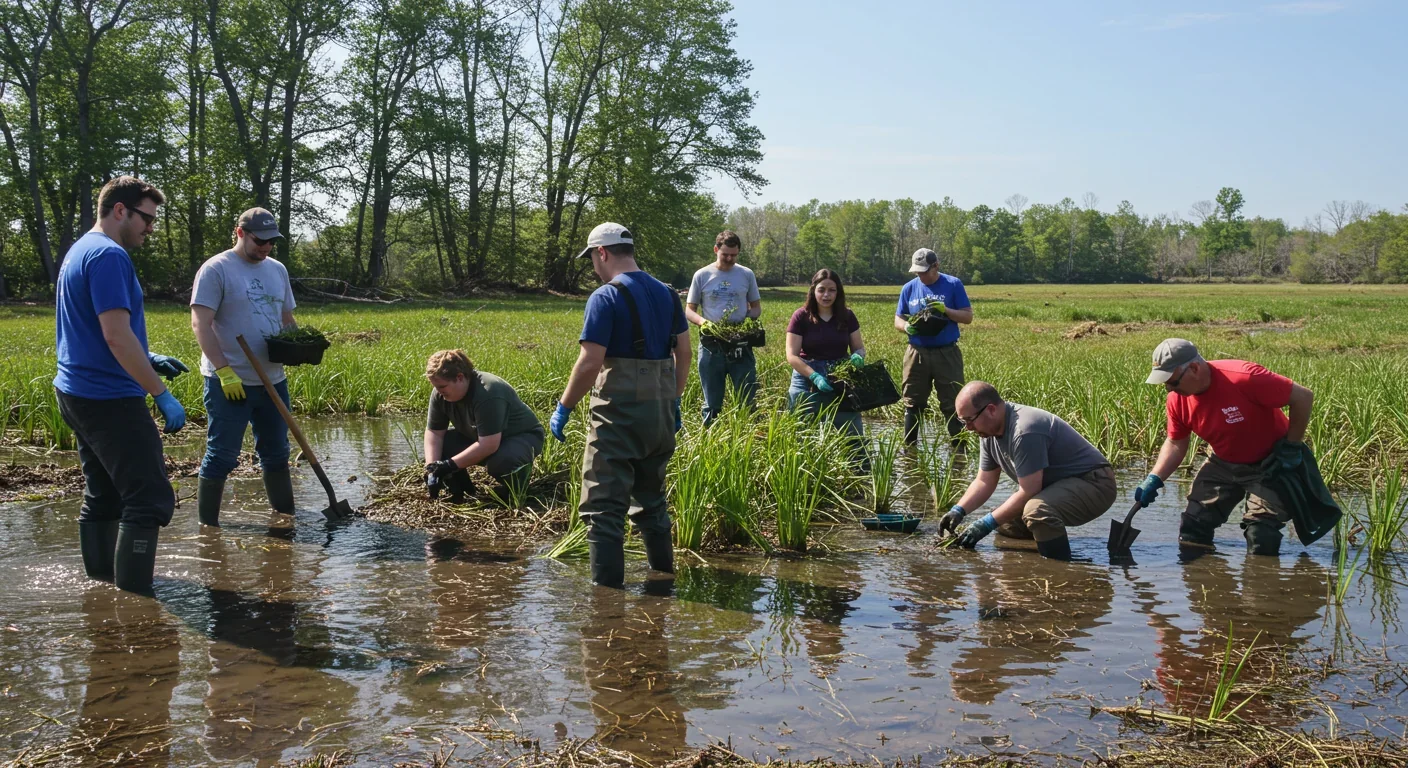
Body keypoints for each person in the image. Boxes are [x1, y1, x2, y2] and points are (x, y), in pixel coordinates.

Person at [54, 176, 188, 594]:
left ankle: (101, 587)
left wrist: (146, 357)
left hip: (75, 390)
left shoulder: (80, 250)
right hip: (108, 396)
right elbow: (115, 335)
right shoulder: (110, 256)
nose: (151, 227)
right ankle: (137, 608)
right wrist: (160, 392)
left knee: (105, 495)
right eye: (147, 218)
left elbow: (93, 330)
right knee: (147, 499)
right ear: (120, 211)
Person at [549, 222, 690, 589]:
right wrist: (673, 401)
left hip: (618, 413)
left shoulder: (605, 297)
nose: (594, 268)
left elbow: (590, 362)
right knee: (652, 500)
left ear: (603, 253)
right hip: (660, 410)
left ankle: (606, 602)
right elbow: (685, 353)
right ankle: (663, 581)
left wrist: (564, 407)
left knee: (603, 510)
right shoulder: (668, 294)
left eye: (593, 259)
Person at [1133, 339, 1321, 556]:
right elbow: (1176, 443)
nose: (1168, 388)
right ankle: (1203, 583)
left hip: (1271, 462)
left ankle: (1262, 587)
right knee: (1193, 527)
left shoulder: (1244, 378)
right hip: (1223, 461)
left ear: (1194, 368)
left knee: (1261, 534)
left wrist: (1292, 445)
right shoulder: (1177, 400)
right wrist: (1154, 479)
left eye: (1172, 382)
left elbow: (1303, 397)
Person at [191, 208, 299, 527]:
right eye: (259, 240)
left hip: (272, 380)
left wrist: (299, 345)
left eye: (271, 242)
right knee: (223, 455)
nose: (265, 247)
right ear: (240, 233)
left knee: (277, 453)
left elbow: (287, 319)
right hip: (230, 381)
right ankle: (207, 528)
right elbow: (200, 323)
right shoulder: (217, 269)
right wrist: (224, 371)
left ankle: (285, 518)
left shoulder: (277, 270)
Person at [941, 381, 1116, 560]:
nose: (968, 428)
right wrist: (958, 510)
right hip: (1056, 486)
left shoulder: (1025, 429)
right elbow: (984, 481)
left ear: (991, 409)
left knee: (1036, 511)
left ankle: (1059, 569)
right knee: (1007, 522)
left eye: (970, 420)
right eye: (963, 422)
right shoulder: (988, 432)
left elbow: (1030, 490)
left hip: (1095, 484)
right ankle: (1030, 563)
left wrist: (984, 524)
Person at [423, 349, 545, 501]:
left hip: (521, 438)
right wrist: (432, 469)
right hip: (481, 437)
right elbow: (434, 433)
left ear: (460, 378)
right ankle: (461, 491)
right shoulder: (440, 393)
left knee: (501, 461)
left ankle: (516, 489)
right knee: (442, 445)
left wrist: (448, 466)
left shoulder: (489, 392)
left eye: (442, 387)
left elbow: (489, 445)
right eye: (436, 387)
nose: (439, 392)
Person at [893, 248, 972, 446]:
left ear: (936, 266)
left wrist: (945, 310)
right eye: (917, 272)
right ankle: (909, 451)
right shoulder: (909, 288)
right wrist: (906, 327)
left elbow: (967, 317)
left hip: (946, 353)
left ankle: (958, 451)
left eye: (924, 271)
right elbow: (898, 318)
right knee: (912, 403)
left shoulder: (953, 284)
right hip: (916, 353)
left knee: (953, 403)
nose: (920, 276)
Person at [685, 230, 762, 426]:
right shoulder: (702, 275)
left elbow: (756, 308)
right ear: (715, 250)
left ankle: (748, 435)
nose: (729, 259)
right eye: (725, 254)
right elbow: (689, 310)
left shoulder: (746, 274)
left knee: (747, 397)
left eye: (734, 255)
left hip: (740, 343)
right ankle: (710, 436)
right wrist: (704, 323)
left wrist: (745, 322)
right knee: (711, 402)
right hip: (712, 344)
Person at [784, 268, 867, 449]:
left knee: (853, 441)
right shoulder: (801, 316)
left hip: (840, 378)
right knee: (801, 441)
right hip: (806, 380)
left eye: (832, 290)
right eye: (822, 289)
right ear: (813, 291)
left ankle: (859, 473)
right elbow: (791, 355)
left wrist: (858, 357)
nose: (826, 295)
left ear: (838, 292)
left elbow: (858, 348)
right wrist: (813, 376)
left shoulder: (847, 316)